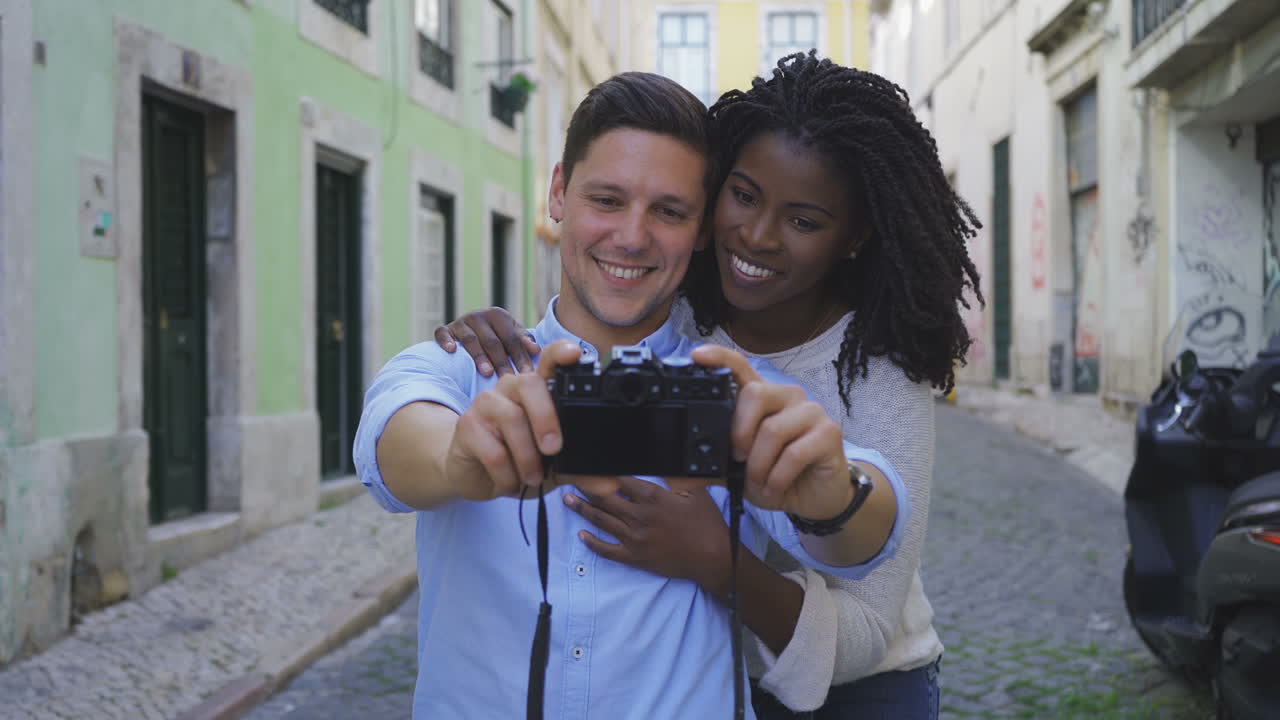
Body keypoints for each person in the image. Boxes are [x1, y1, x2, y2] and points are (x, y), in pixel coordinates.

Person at [434, 53, 983, 720]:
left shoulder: (878, 367)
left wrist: (716, 563)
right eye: (743, 195)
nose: (756, 235)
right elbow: (594, 310)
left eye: (804, 220)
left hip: (857, 689)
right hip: (706, 678)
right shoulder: (679, 309)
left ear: (853, 239)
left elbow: (868, 627)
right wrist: (497, 332)